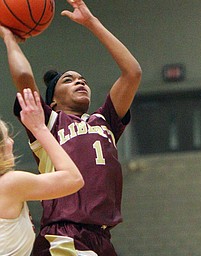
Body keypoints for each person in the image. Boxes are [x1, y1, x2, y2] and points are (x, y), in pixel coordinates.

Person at [0, 0, 142, 255]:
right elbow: (23, 78)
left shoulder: (105, 121)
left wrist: (92, 23)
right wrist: (10, 39)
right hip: (63, 235)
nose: (80, 82)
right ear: (52, 100)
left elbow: (132, 72)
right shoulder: (46, 121)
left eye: (83, 80)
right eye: (69, 80)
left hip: (102, 237)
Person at [0, 88, 84, 255]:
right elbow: (74, 179)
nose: (11, 141)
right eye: (6, 136)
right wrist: (39, 128)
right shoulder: (10, 184)